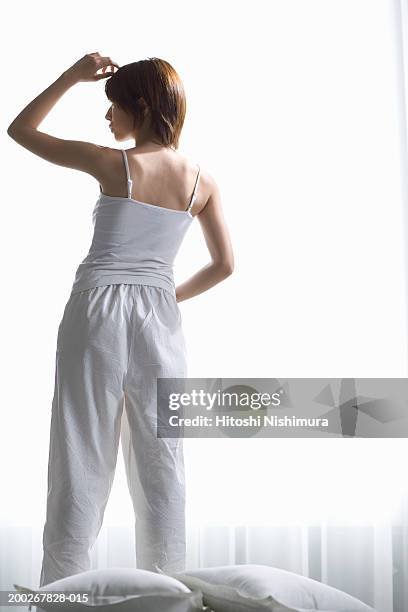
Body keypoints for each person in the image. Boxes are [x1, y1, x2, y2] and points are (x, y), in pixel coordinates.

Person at [7, 52, 234, 586]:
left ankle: (59, 596)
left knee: (81, 448)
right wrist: (162, 293)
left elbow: (20, 130)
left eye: (112, 107)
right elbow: (225, 265)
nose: (107, 119)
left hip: (98, 309)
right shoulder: (201, 181)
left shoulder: (115, 164)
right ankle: (169, 592)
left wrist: (71, 75)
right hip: (159, 315)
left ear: (140, 105)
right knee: (162, 459)